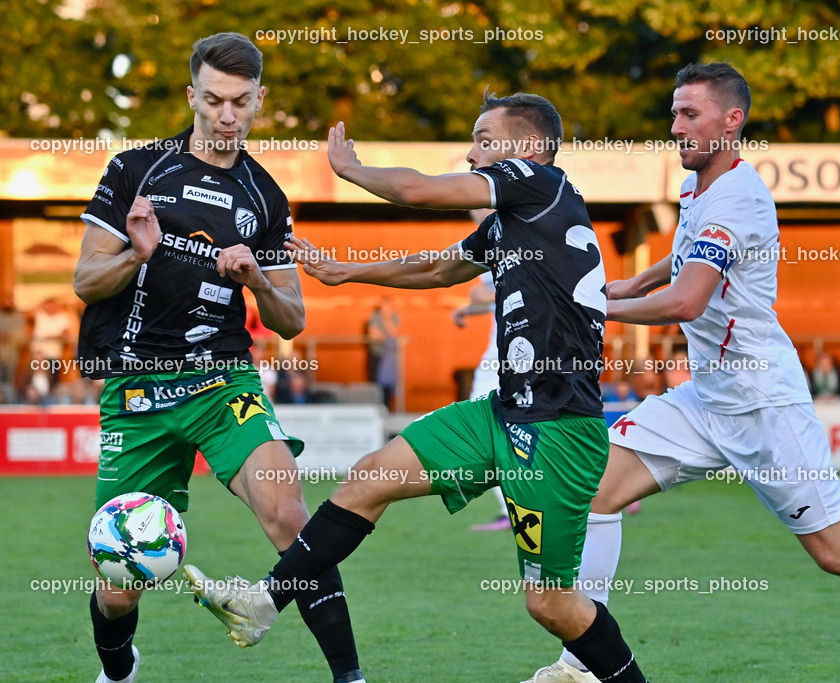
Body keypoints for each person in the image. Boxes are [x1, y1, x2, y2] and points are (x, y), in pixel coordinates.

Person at [524, 62, 840, 683]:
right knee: (593, 493)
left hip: (763, 404)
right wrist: (600, 287)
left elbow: (686, 301)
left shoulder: (736, 198)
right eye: (674, 113)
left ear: (732, 121)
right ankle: (584, 665)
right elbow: (670, 269)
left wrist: (589, 306)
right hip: (707, 399)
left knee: (839, 552)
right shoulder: (701, 187)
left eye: (689, 115)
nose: (675, 127)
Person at [186, 89, 648, 683]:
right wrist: (349, 269)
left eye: (485, 140)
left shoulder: (539, 184)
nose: (472, 155)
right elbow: (437, 268)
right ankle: (261, 605)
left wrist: (351, 170)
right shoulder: (515, 219)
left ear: (531, 148)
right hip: (501, 415)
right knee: (367, 479)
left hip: (558, 433)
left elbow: (417, 190)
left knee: (551, 604)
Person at [74, 32, 363, 683]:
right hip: (139, 392)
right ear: (191, 96)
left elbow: (292, 319)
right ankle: (119, 672)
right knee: (118, 584)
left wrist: (258, 279)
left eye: (239, 102)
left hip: (221, 379)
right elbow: (85, 280)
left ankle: (350, 676)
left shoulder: (266, 198)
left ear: (259, 100)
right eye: (212, 101)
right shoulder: (135, 170)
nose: (226, 115)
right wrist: (135, 255)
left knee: (289, 515)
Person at [451, 237, 514, 532]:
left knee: (487, 429)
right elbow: (494, 300)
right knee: (496, 433)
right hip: (500, 356)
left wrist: (484, 297)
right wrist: (469, 308)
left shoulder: (524, 237)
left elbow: (532, 287)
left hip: (520, 354)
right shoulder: (488, 240)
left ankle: (607, 482)